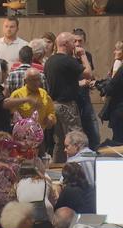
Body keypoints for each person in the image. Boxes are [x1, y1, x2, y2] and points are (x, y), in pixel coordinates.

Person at [44, 32, 92, 163]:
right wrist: (83, 55)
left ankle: (57, 168)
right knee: (77, 139)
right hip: (67, 106)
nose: (75, 46)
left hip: (54, 105)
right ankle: (80, 168)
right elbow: (88, 73)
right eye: (73, 42)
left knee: (60, 141)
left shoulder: (50, 61)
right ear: (65, 44)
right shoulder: (67, 60)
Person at [72, 28, 100, 150]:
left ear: (84, 41)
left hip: (85, 96)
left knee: (93, 129)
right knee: (76, 131)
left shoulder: (87, 55)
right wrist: (79, 83)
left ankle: (94, 152)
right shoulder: (67, 57)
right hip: (72, 98)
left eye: (80, 41)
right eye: (75, 41)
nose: (77, 44)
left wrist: (92, 82)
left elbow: (89, 74)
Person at [10, 68, 57, 138]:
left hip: (40, 136)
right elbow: (10, 115)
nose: (37, 82)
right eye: (33, 80)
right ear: (25, 81)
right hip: (22, 137)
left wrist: (50, 119)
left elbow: (51, 111)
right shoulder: (17, 95)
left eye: (38, 79)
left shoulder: (43, 93)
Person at [102, 45, 123, 142]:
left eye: (118, 50)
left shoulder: (120, 68)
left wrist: (102, 88)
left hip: (119, 110)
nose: (114, 52)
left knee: (118, 142)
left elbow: (111, 87)